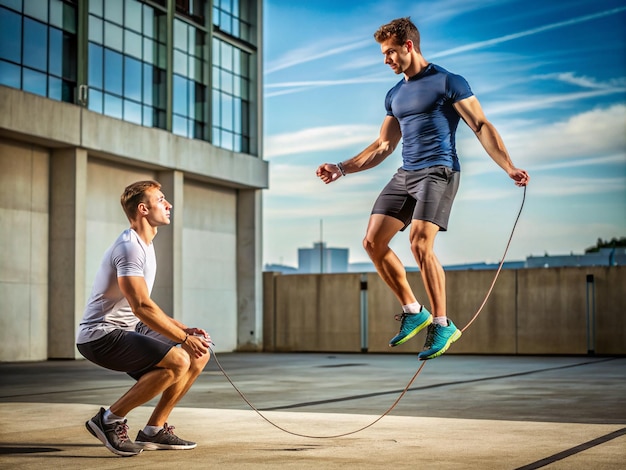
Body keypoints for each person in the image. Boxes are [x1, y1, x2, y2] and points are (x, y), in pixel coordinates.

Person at [316, 17, 529, 360]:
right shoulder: (395, 94)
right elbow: (383, 146)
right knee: (372, 241)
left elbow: (480, 125)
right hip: (407, 173)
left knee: (419, 242)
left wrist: (508, 166)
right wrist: (341, 168)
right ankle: (415, 311)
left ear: (408, 46)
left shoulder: (448, 81)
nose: (385, 60)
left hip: (439, 172)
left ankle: (443, 324)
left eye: (389, 53)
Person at [76, 180, 211, 457]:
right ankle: (108, 420)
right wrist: (182, 337)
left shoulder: (146, 244)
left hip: (128, 328)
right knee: (179, 359)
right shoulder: (130, 247)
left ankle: (154, 430)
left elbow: (145, 305)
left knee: (198, 353)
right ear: (143, 209)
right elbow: (140, 306)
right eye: (161, 199)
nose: (168, 204)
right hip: (100, 335)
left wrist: (185, 330)